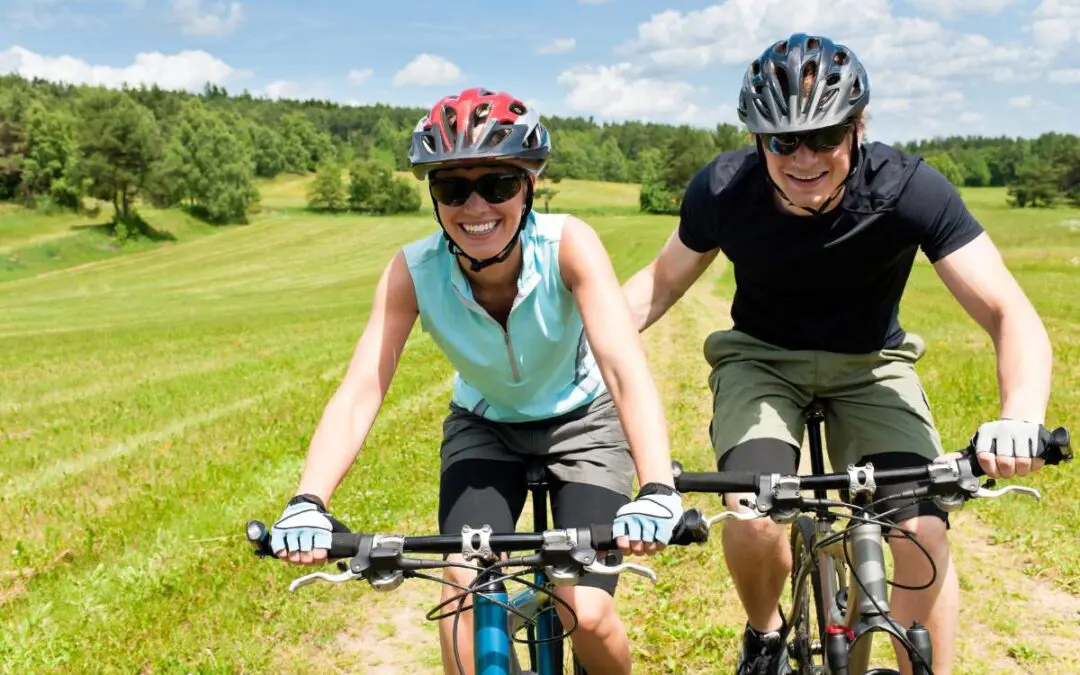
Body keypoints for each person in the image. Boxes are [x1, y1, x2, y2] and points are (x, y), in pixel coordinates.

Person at [621, 33, 1053, 675]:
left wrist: (1019, 416)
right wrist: (574, 356)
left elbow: (1006, 312)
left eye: (824, 136)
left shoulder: (909, 189)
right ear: (757, 140)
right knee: (754, 515)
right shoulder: (722, 191)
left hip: (872, 366)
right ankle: (765, 635)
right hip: (761, 360)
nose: (804, 157)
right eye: (782, 141)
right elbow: (656, 287)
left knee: (921, 529)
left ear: (856, 129)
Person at [268, 86, 684, 675]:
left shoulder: (567, 244)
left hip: (584, 424)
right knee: (463, 593)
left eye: (497, 185)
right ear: (434, 198)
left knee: (585, 611)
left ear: (528, 187)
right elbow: (363, 384)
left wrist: (659, 486)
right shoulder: (413, 270)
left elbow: (622, 365)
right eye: (452, 188)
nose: (475, 206)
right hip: (485, 429)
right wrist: (308, 502)